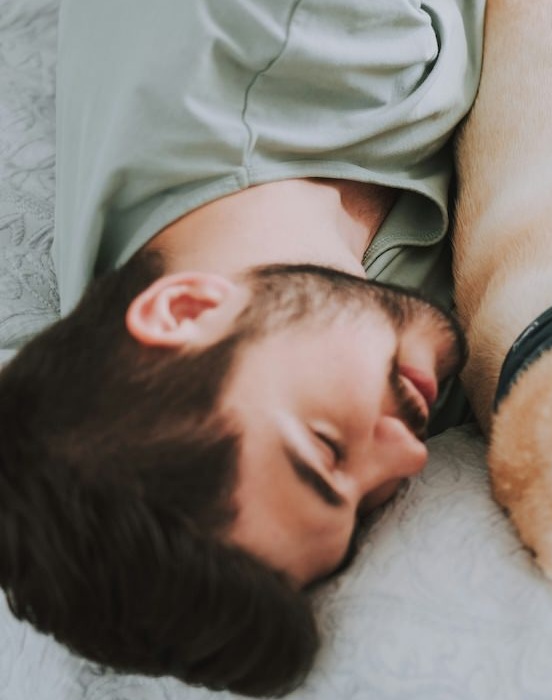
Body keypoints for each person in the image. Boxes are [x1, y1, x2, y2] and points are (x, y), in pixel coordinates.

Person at [0, 0, 482, 694]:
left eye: (324, 448)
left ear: (184, 308)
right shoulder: (415, 363)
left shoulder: (260, 24)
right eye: (363, 511)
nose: (407, 457)